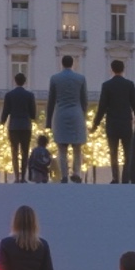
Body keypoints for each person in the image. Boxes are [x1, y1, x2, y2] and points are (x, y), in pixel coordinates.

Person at [93, 59, 135, 184]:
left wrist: (95, 124)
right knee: (127, 153)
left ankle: (115, 177)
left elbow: (102, 107)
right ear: (123, 69)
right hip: (126, 123)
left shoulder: (107, 85)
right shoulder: (129, 84)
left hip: (112, 124)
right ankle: (126, 178)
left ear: (111, 70)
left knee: (113, 152)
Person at [48, 55, 90, 183]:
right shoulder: (80, 79)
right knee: (77, 147)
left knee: (62, 148)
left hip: (61, 114)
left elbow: (51, 101)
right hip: (76, 114)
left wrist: (48, 122)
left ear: (62, 64)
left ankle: (64, 175)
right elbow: (84, 101)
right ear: (73, 64)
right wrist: (84, 116)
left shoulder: (55, 79)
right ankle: (76, 173)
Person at [0, 76, 37, 181]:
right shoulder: (30, 95)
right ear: (25, 82)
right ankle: (23, 176)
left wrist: (2, 123)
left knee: (14, 151)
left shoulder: (9, 95)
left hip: (14, 126)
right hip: (26, 126)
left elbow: (5, 111)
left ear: (14, 81)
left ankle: (16, 176)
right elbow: (33, 114)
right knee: (25, 151)